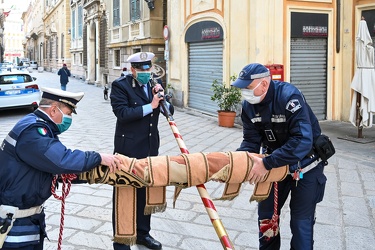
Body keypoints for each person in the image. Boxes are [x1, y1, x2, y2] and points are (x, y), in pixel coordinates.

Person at [0, 87, 122, 250]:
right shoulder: (34, 131)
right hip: (15, 222)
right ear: (53, 110)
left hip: (26, 216)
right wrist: (99, 157)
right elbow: (62, 160)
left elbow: (50, 166)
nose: (69, 118)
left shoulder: (34, 123)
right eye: (69, 113)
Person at [231, 63, 328, 250]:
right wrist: (238, 162)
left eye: (248, 88)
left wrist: (266, 163)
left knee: (301, 224)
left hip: (305, 167)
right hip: (273, 166)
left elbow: (302, 140)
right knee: (267, 221)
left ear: (264, 85)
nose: (245, 92)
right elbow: (251, 141)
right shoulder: (248, 106)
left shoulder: (289, 97)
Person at [110, 51, 173, 250]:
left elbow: (169, 112)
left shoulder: (155, 84)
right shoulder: (120, 86)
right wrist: (150, 105)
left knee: (145, 192)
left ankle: (143, 234)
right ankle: (122, 240)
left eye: (149, 68)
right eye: (141, 69)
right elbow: (122, 113)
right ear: (132, 70)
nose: (146, 72)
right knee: (125, 192)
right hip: (127, 149)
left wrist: (162, 99)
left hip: (149, 147)